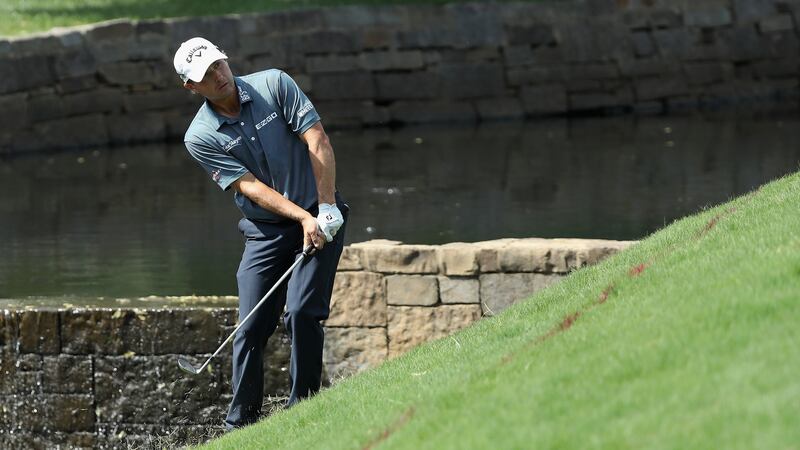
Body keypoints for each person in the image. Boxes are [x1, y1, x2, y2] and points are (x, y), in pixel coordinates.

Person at [173, 37, 348, 430]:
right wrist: (301, 218)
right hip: (266, 232)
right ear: (191, 86)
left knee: (301, 312)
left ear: (225, 59)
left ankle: (304, 407)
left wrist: (325, 207)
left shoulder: (274, 84)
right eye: (206, 75)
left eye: (218, 65)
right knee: (250, 326)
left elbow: (317, 139)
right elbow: (249, 186)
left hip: (323, 213)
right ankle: (240, 425)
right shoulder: (199, 136)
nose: (218, 75)